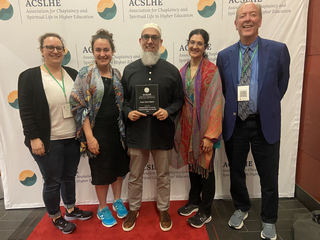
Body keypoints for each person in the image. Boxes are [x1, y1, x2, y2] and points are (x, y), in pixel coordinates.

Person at [216, 2, 290, 240]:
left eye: (253, 15)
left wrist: (264, 105)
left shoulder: (278, 50)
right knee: (236, 171)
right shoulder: (224, 55)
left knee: (269, 175)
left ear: (260, 21)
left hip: (264, 123)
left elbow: (281, 85)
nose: (247, 20)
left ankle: (269, 219)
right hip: (235, 124)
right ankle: (241, 207)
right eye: (242, 16)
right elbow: (224, 90)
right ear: (235, 23)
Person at [18, 33, 93, 234]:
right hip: (47, 141)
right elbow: (25, 111)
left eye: (59, 47)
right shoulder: (29, 76)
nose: (55, 51)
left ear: (64, 51)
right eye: (50, 47)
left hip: (72, 138)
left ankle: (70, 209)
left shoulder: (72, 73)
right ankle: (55, 216)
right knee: (52, 181)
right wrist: (34, 138)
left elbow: (80, 105)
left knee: (69, 176)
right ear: (41, 50)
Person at [121, 23, 184, 232]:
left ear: (160, 42)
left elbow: (179, 100)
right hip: (137, 134)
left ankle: (164, 209)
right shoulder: (129, 70)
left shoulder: (172, 71)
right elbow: (125, 101)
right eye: (146, 37)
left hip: (162, 133)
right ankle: (134, 208)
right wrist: (128, 111)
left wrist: (168, 111)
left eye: (154, 37)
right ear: (140, 41)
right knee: (135, 175)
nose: (150, 41)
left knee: (163, 175)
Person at [70, 29, 130, 228]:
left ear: (112, 51)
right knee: (102, 172)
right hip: (97, 132)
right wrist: (89, 137)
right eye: (98, 50)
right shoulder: (85, 74)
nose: (102, 54)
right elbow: (78, 106)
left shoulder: (117, 73)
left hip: (118, 131)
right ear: (93, 51)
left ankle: (118, 200)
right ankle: (103, 207)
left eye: (106, 50)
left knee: (119, 169)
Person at [173, 29, 223, 228]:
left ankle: (205, 210)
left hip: (204, 130)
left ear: (205, 47)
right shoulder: (182, 71)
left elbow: (216, 103)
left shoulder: (212, 70)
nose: (194, 46)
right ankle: (193, 201)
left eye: (199, 43)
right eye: (192, 42)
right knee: (192, 167)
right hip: (186, 129)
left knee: (205, 169)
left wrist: (210, 137)